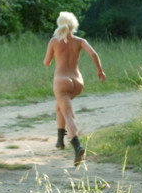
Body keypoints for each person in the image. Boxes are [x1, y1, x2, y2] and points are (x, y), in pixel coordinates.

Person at [43, 11, 106, 166]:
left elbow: (46, 63)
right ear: (74, 25)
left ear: (60, 24)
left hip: (61, 81)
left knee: (68, 114)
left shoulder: (54, 41)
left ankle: (77, 146)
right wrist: (100, 70)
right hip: (77, 82)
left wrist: (54, 56)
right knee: (59, 106)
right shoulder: (80, 41)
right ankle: (60, 140)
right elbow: (93, 54)